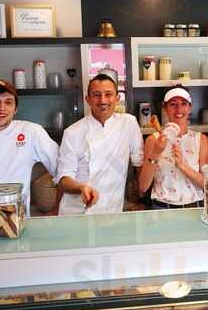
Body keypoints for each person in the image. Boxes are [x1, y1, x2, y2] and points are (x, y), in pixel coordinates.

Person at [0, 79, 58, 219]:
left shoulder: (31, 132)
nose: (1, 108)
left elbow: (62, 169)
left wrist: (57, 209)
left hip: (16, 220)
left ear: (15, 108)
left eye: (8, 102)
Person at [57, 74, 144, 215]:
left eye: (108, 94)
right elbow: (64, 178)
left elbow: (139, 164)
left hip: (112, 209)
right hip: (77, 211)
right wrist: (81, 188)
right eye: (96, 95)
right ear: (88, 99)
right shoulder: (72, 132)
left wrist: (140, 198)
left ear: (117, 98)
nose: (103, 100)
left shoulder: (128, 123)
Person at [138, 86, 208, 208]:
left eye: (183, 103)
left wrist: (182, 165)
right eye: (173, 104)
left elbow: (207, 184)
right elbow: (143, 187)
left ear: (190, 107)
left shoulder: (201, 139)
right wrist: (155, 153)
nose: (179, 109)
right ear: (165, 108)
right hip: (161, 208)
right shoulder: (153, 140)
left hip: (195, 207)